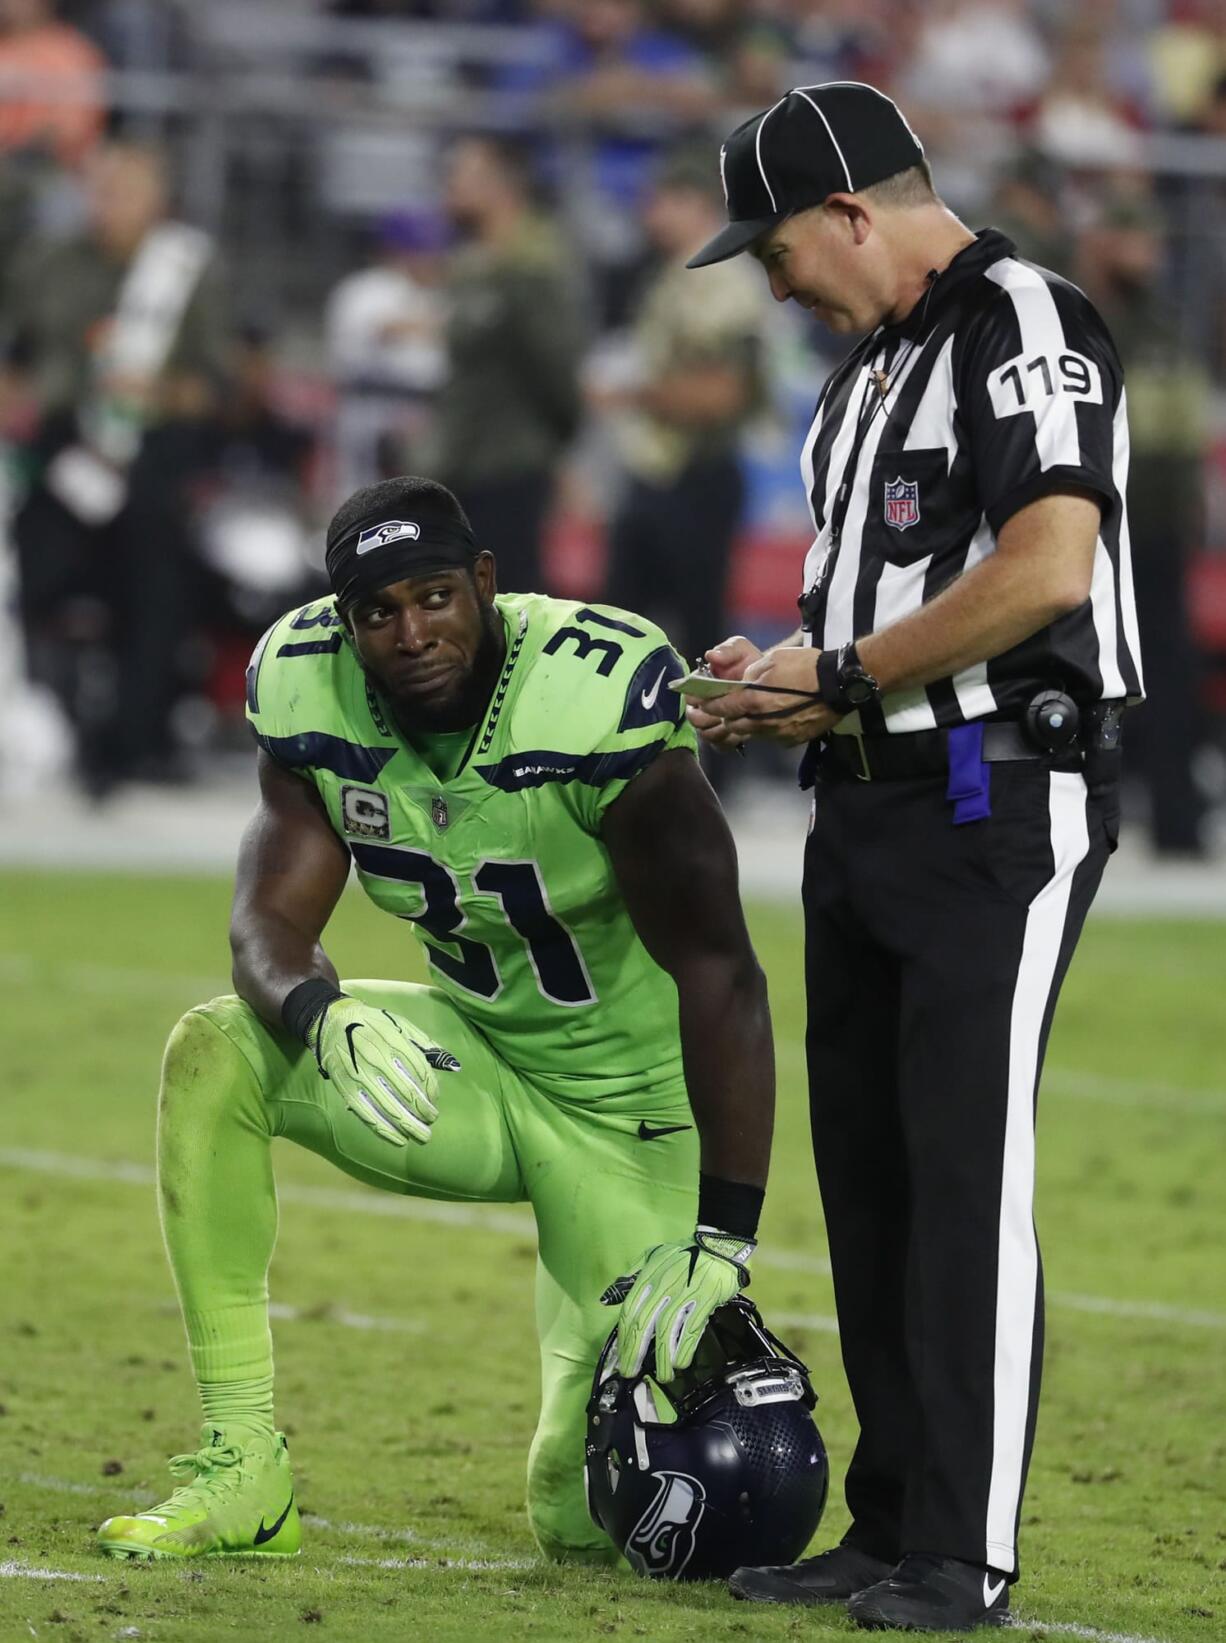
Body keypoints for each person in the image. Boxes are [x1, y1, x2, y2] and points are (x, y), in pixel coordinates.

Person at [95, 474, 774, 1564]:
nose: (411, 632)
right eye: (378, 611)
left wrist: (725, 1233)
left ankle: (598, 1390)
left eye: (434, 597)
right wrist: (322, 1014)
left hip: (632, 1119)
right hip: (472, 1062)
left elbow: (720, 971)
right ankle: (244, 1464)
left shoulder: (591, 694)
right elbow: (266, 924)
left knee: (594, 1510)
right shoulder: (307, 689)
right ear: (343, 622)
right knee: (218, 1046)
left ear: (486, 585)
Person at [681, 84, 1142, 1631]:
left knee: (960, 1173)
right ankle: (886, 1525)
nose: (772, 279)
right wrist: (788, 667)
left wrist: (851, 668)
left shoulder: (1024, 314)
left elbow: (1046, 559)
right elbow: (878, 612)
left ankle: (966, 1547)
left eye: (778, 245)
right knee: (869, 1181)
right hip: (861, 793)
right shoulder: (865, 375)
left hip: (987, 798)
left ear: (854, 213)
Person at [7, 138, 231, 789]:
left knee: (156, 590)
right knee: (32, 577)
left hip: (150, 451)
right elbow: (21, 354)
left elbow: (216, 384)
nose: (105, 204)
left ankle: (137, 742)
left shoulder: (186, 267)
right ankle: (43, 724)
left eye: (122, 190)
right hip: (61, 446)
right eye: (98, 189)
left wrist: (156, 392)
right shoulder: (52, 260)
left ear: (157, 200)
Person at [600, 146, 766, 715]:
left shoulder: (724, 281)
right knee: (623, 627)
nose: (652, 214)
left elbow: (723, 395)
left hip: (697, 471)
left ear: (698, 205)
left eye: (666, 201)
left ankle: (715, 758)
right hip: (658, 468)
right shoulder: (671, 274)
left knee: (701, 635)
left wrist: (634, 394)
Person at [1074, 192, 1209, 856]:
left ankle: (1177, 822)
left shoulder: (1161, 325)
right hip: (1092, 529)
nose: (1145, 255)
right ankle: (1086, 817)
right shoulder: (1080, 319)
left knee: (1168, 671)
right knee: (1088, 674)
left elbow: (1184, 426)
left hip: (1153, 527)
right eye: (1132, 240)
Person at [430, 136, 584, 595]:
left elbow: (557, 370)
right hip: (464, 463)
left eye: (459, 176)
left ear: (500, 185)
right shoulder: (472, 261)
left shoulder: (533, 264)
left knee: (506, 603)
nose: (448, 188)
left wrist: (550, 447)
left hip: (511, 465)